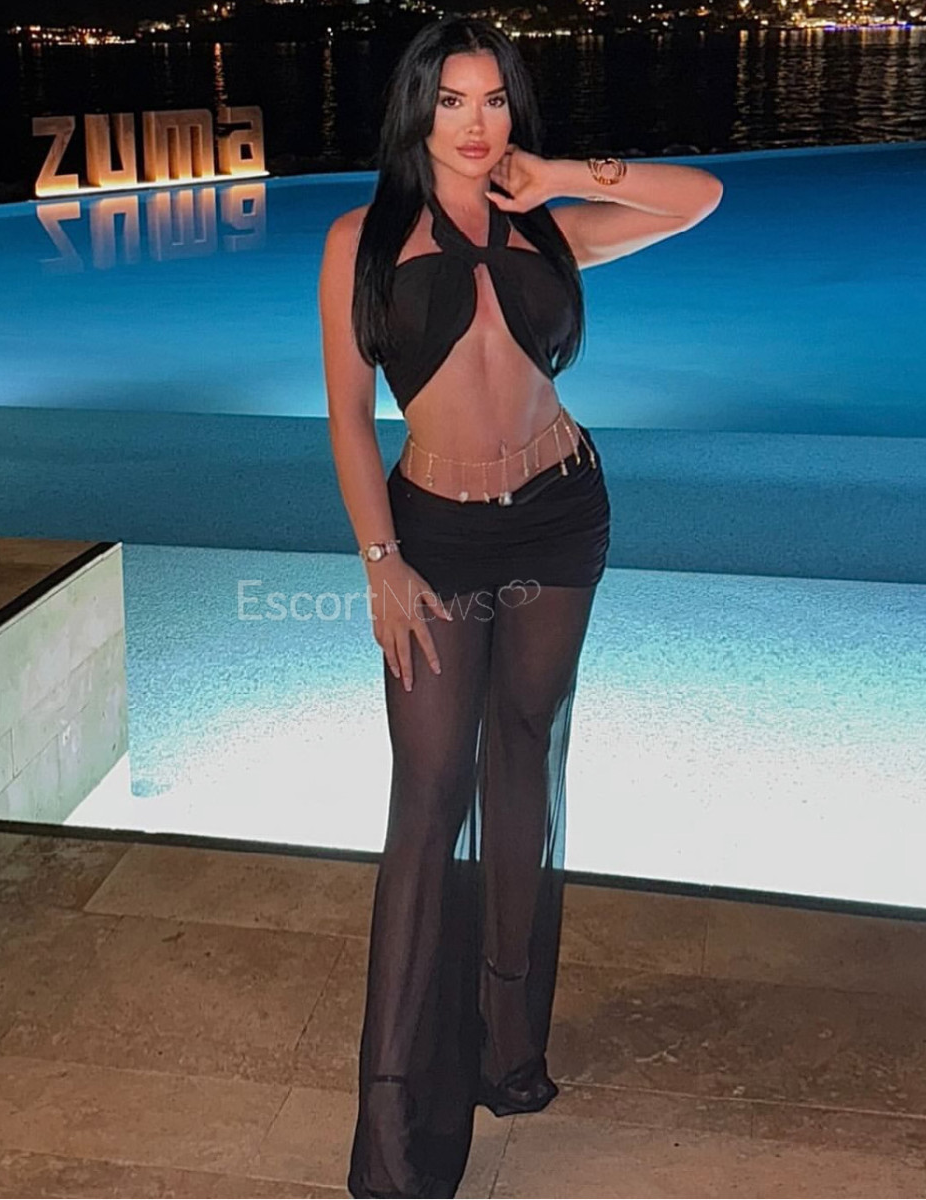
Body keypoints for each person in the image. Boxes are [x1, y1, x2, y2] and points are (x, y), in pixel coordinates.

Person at [317, 15, 723, 1198]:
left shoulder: (546, 224)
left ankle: (508, 1050)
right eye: (451, 100)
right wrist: (379, 560)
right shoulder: (361, 241)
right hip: (434, 539)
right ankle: (397, 1130)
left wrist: (562, 177)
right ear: (415, 109)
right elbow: (347, 416)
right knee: (426, 798)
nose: (475, 122)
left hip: (557, 515)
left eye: (493, 99)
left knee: (523, 755)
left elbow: (696, 198)